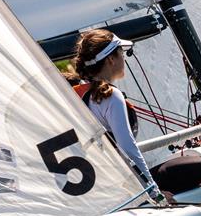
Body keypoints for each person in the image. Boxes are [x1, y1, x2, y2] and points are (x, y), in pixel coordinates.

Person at [71, 29, 167, 204]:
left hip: (93, 183)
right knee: (196, 166)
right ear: (111, 59)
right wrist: (154, 194)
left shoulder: (72, 94)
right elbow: (128, 148)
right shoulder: (110, 96)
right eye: (121, 53)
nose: (124, 58)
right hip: (118, 183)